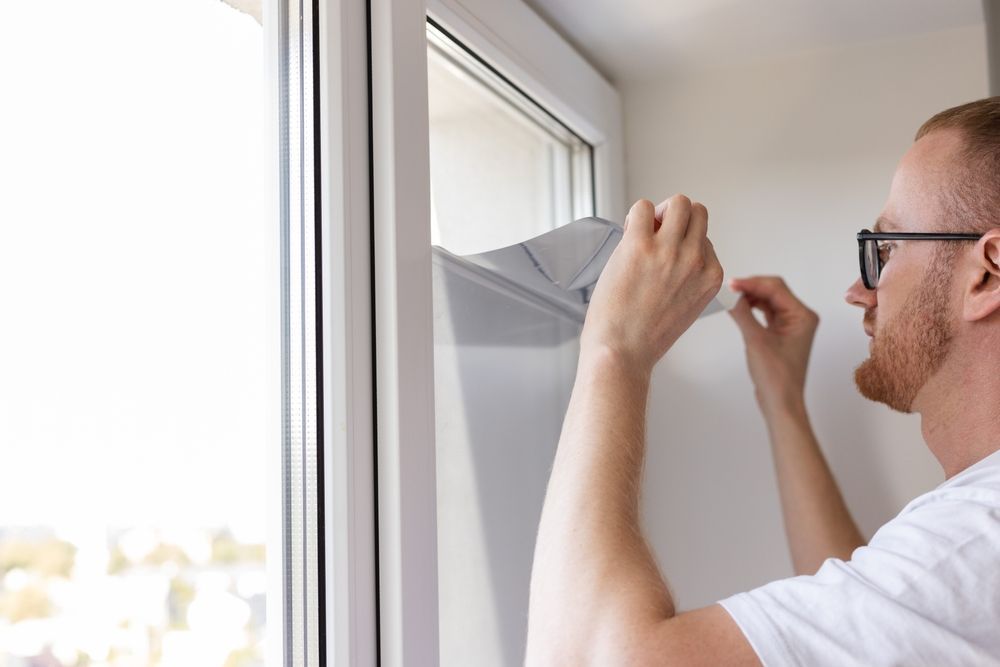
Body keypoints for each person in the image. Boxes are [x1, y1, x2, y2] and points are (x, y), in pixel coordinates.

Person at [525, 97, 1000, 666]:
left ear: (987, 274)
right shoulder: (972, 553)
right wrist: (783, 401)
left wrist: (616, 349)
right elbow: (864, 626)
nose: (858, 291)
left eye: (887, 247)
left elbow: (588, 659)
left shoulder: (978, 535)